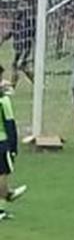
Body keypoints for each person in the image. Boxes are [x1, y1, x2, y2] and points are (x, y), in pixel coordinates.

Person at [0, 67, 27, 221]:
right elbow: (10, 124)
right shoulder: (3, 100)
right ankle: (1, 209)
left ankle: (9, 192)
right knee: (2, 174)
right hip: (1, 141)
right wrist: (13, 148)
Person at [0, 7, 35, 85]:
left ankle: (37, 82)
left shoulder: (29, 22)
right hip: (19, 49)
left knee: (18, 66)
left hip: (24, 48)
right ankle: (36, 82)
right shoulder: (16, 23)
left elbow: (32, 35)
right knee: (18, 66)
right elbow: (9, 34)